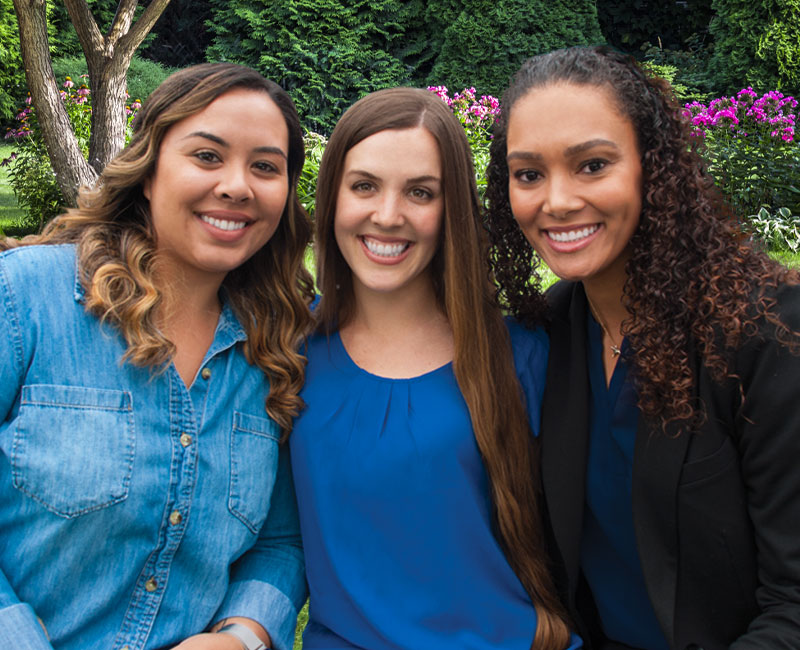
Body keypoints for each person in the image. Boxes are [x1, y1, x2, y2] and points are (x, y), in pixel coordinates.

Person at [485, 45, 800, 650]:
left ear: (651, 168)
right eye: (529, 174)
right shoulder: (548, 335)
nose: (556, 201)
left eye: (592, 165)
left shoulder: (766, 335)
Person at [0, 63, 313, 650]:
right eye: (207, 156)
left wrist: (241, 636)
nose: (238, 186)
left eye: (266, 167)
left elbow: (281, 540)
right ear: (147, 172)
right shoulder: (23, 300)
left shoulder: (281, 345)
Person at [289, 86, 581, 650]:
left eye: (420, 192)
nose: (388, 215)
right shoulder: (285, 348)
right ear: (331, 197)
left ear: (451, 211)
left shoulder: (523, 355)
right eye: (364, 186)